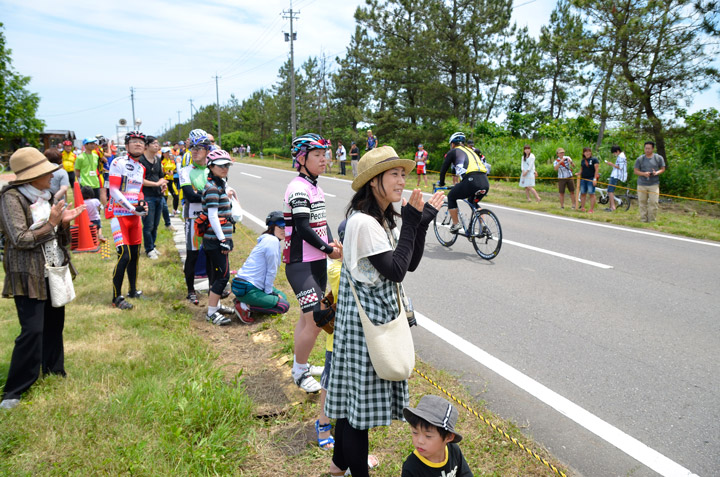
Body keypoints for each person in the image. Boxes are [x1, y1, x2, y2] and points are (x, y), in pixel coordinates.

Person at [325, 146, 444, 477]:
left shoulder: (383, 217)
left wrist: (419, 225)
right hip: (365, 327)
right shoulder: (363, 222)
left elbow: (411, 262)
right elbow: (395, 271)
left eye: (403, 173)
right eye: (394, 173)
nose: (402, 179)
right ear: (374, 181)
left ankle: (337, 467)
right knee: (357, 414)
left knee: (351, 409)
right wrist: (412, 223)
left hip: (373, 322)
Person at [0, 147, 85, 410]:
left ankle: (54, 372)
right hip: (28, 272)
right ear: (31, 176)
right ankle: (15, 389)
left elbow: (57, 237)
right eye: (46, 172)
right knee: (32, 330)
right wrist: (51, 224)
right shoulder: (11, 198)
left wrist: (63, 223)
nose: (52, 176)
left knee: (54, 324)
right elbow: (19, 239)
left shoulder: (45, 195)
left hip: (52, 268)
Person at [283, 133, 342, 394]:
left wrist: (331, 241)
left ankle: (301, 365)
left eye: (324, 155)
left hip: (316, 263)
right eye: (317, 155)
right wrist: (328, 249)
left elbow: (320, 221)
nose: (324, 160)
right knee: (317, 320)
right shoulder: (298, 187)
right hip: (300, 263)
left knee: (306, 320)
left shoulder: (315, 186)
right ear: (302, 159)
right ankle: (299, 371)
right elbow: (303, 227)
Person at [108, 131, 149, 310]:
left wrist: (142, 203)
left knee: (134, 256)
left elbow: (138, 190)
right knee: (124, 256)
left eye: (141, 142)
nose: (138, 144)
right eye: (133, 142)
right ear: (127, 146)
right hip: (119, 215)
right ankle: (116, 297)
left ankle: (133, 290)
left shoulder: (141, 167)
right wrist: (132, 208)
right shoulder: (118, 162)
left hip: (134, 217)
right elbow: (114, 190)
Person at [231, 211, 290, 324]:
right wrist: (269, 292)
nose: (284, 230)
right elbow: (271, 271)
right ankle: (244, 306)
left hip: (246, 285)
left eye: (286, 226)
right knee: (283, 306)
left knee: (283, 296)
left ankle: (244, 300)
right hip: (247, 287)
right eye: (281, 226)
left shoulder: (268, 239)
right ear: (272, 227)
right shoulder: (271, 241)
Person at [201, 149, 236, 326]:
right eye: (221, 166)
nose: (225, 168)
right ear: (211, 166)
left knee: (217, 276)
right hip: (216, 240)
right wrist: (223, 239)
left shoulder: (218, 184)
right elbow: (213, 216)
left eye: (227, 165)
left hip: (217, 238)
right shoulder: (213, 188)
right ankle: (211, 312)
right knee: (222, 277)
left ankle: (216, 306)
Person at [401, 395, 473, 477]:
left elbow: (465, 474)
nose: (419, 441)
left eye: (428, 436)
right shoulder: (411, 467)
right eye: (415, 432)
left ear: (448, 437)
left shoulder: (453, 450)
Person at [179, 129, 212, 305]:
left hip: (211, 218)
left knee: (210, 253)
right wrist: (209, 195)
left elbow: (221, 192)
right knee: (192, 255)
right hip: (192, 219)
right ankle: (190, 290)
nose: (195, 151)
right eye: (193, 148)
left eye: (200, 148)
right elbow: (190, 196)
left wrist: (200, 192)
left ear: (207, 150)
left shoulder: (213, 169)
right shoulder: (185, 170)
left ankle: (212, 287)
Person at [437, 132, 490, 233]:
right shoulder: (471, 151)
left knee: (451, 196)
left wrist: (442, 182)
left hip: (471, 180)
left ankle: (456, 224)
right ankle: (483, 224)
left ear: (452, 144)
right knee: (473, 201)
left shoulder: (453, 151)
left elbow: (443, 169)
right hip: (485, 181)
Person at [138, 136, 168, 259]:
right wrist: (156, 184)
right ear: (147, 145)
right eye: (154, 143)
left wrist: (163, 183)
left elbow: (161, 175)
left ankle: (153, 245)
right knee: (148, 225)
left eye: (157, 143)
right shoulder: (140, 160)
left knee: (155, 224)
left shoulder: (157, 159)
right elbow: (139, 179)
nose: (157, 145)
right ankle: (149, 249)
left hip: (158, 195)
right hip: (147, 196)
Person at [633, 141, 666, 222]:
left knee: (654, 202)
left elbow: (663, 169)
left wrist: (656, 173)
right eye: (646, 148)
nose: (647, 150)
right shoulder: (640, 159)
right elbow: (636, 171)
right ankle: (643, 219)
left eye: (649, 148)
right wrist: (644, 174)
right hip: (642, 184)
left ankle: (652, 220)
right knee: (642, 202)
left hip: (654, 184)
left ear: (653, 149)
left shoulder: (658, 158)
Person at [74, 137, 103, 202]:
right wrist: (80, 181)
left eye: (94, 143)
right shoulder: (80, 157)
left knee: (96, 203)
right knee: (86, 204)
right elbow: (77, 171)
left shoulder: (96, 156)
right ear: (85, 145)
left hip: (95, 183)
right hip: (85, 184)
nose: (93, 145)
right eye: (91, 143)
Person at [605, 145, 627, 212]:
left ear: (617, 151)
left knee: (610, 191)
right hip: (615, 175)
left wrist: (611, 164)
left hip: (616, 176)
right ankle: (610, 206)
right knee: (610, 190)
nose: (614, 154)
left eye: (614, 153)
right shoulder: (621, 156)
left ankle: (613, 207)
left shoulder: (621, 157)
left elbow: (620, 167)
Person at [577, 147, 599, 213]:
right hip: (583, 178)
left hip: (591, 178)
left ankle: (591, 209)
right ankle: (582, 207)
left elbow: (597, 169)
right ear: (583, 153)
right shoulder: (583, 160)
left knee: (591, 193)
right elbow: (582, 169)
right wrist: (579, 173)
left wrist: (595, 179)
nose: (588, 153)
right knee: (583, 193)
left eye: (589, 151)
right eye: (586, 152)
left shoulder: (594, 159)